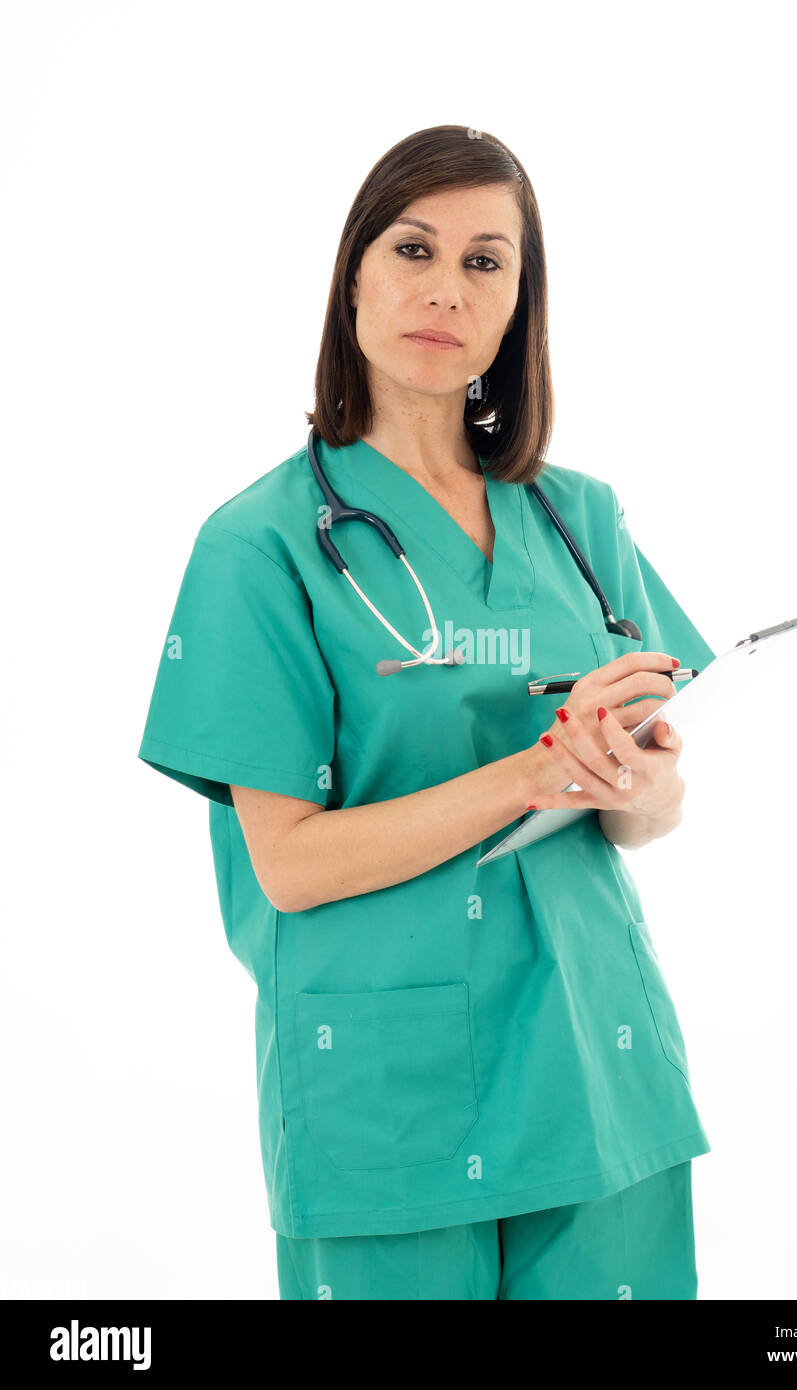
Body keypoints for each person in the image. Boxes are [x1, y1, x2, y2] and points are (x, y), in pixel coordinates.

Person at [137, 124, 716, 1301]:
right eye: (413, 248)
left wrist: (638, 786)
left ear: (519, 306)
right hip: (388, 1088)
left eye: (487, 261)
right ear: (354, 275)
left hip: (594, 1062)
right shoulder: (259, 546)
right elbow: (288, 864)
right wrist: (530, 774)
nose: (445, 288)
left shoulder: (580, 520)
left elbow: (647, 809)